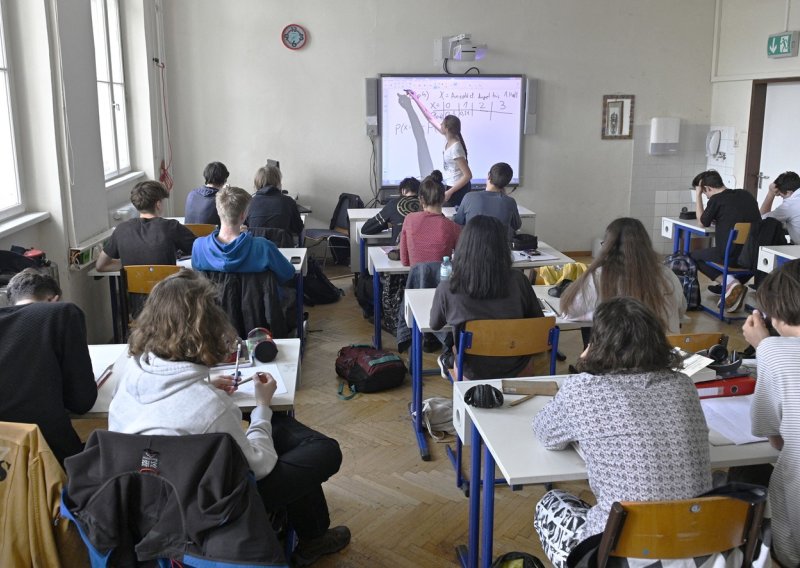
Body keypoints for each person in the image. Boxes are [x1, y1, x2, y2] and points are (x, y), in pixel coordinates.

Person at [108, 270, 350, 567]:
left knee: (283, 434)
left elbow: (167, 407)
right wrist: (262, 406)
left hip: (147, 495)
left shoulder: (130, 370)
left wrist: (206, 383)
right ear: (208, 327)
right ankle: (312, 537)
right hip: (211, 506)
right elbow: (260, 466)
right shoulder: (211, 409)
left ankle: (310, 533)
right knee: (321, 449)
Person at [533, 297, 711, 568]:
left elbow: (545, 433)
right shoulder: (683, 385)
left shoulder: (583, 390)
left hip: (619, 553)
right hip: (694, 546)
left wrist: (584, 366)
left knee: (550, 502)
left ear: (597, 344)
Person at [430, 215, 544, 379]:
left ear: (463, 246)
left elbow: (435, 324)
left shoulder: (448, 287)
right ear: (503, 248)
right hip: (517, 369)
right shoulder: (519, 280)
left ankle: (447, 363)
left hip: (472, 371)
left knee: (453, 348)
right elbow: (537, 321)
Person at [0, 269, 96, 464]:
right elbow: (81, 402)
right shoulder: (62, 313)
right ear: (54, 299)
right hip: (48, 453)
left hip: (5, 458)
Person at [742, 258, 800, 568]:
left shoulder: (774, 351)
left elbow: (772, 437)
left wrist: (762, 345)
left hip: (796, 530)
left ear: (774, 311)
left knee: (743, 473)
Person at [560, 217, 687, 335]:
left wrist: (596, 314)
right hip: (666, 354)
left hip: (621, 356)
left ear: (608, 246)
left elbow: (569, 310)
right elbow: (681, 310)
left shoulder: (600, 276)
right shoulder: (668, 275)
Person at [192, 186, 294, 283]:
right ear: (243, 215)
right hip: (254, 301)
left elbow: (198, 279)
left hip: (212, 300)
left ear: (218, 211)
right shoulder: (264, 248)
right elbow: (288, 273)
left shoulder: (198, 247)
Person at [692, 169, 760, 310]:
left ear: (708, 188)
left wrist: (697, 195)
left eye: (705, 193)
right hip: (752, 256)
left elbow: (702, 222)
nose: (707, 197)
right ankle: (733, 285)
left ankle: (729, 282)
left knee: (692, 256)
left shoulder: (716, 200)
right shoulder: (745, 194)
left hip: (730, 256)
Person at [96, 180, 196, 272]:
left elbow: (101, 265)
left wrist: (130, 264)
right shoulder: (171, 227)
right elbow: (201, 250)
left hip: (133, 291)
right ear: (158, 204)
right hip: (166, 290)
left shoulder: (121, 230)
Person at [405, 90, 473, 206]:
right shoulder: (449, 137)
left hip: (458, 189)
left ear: (447, 128)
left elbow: (468, 175)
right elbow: (430, 118)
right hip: (452, 186)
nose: (439, 124)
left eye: (442, 123)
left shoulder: (456, 148)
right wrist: (416, 99)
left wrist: (450, 192)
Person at [399, 174, 461, 266]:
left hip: (416, 278)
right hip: (442, 279)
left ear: (421, 199)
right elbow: (460, 260)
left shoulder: (410, 219)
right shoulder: (453, 227)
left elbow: (404, 261)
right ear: (444, 198)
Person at [453, 162, 521, 241]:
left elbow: (458, 221)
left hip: (472, 249)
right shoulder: (510, 202)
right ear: (507, 182)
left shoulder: (469, 197)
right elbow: (517, 225)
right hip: (500, 251)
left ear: (488, 176)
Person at [244, 165, 304, 240]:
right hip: (283, 250)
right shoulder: (288, 202)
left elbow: (244, 227)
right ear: (278, 182)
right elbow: (298, 228)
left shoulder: (249, 203)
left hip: (256, 250)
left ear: (257, 183)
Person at [361, 176, 421, 244]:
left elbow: (366, 229)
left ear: (403, 190)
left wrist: (389, 224)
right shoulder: (427, 205)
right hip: (424, 251)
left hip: (399, 251)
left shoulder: (394, 204)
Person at [759, 170, 800, 244]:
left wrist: (770, 193)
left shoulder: (789, 205)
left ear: (788, 192)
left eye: (781, 196)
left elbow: (761, 219)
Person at [184, 161, 229, 225]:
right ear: (224, 179)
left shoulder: (191, 194)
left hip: (190, 234)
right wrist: (227, 193)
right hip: (212, 234)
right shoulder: (221, 199)